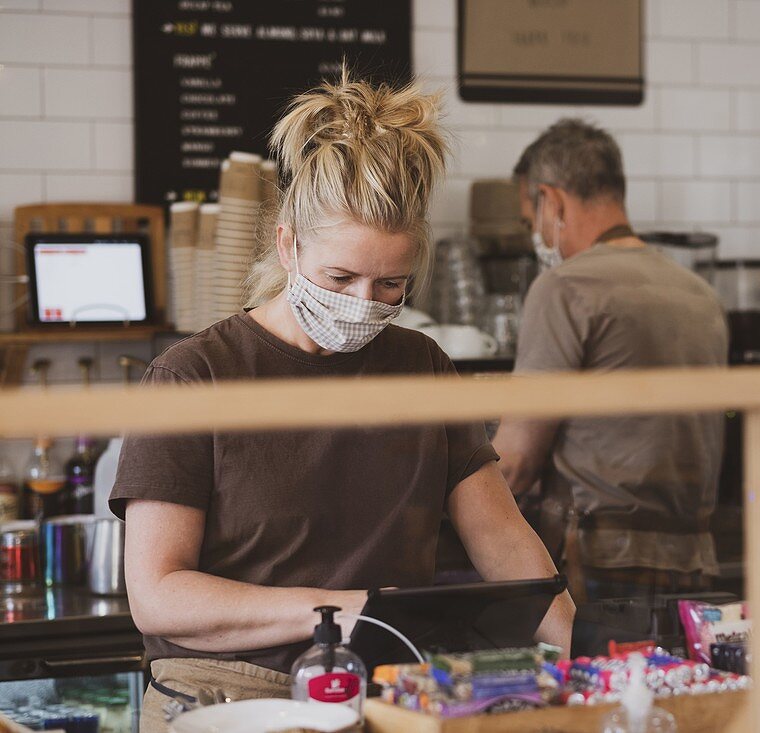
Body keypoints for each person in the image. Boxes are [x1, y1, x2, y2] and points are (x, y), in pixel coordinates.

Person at [110, 73, 573, 731]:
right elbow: (157, 597)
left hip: (381, 698)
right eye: (340, 277)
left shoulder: (423, 371)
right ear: (288, 243)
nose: (362, 303)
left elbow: (503, 540)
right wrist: (342, 609)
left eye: (390, 283)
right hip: (225, 701)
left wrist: (570, 661)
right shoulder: (194, 376)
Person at [492, 119, 729, 602]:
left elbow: (515, 461)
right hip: (695, 560)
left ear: (552, 201)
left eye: (529, 218)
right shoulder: (699, 293)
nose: (534, 233)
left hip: (602, 562)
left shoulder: (565, 287)